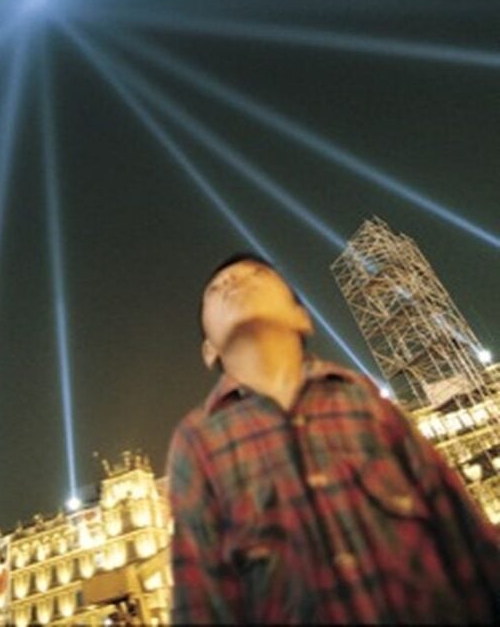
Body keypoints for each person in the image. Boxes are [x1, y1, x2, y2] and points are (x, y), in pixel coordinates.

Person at [167, 252, 500, 625]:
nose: (232, 281)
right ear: (209, 350)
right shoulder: (198, 443)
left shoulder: (367, 403)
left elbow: (462, 534)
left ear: (302, 318)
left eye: (257, 274)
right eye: (215, 288)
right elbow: (200, 602)